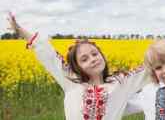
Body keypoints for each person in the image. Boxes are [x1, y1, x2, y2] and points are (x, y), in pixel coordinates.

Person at [7, 13, 150, 120]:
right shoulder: (71, 82)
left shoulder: (120, 82)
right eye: (84, 59)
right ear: (77, 67)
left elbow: (149, 69)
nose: (93, 59)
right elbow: (48, 54)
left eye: (95, 54)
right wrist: (19, 29)